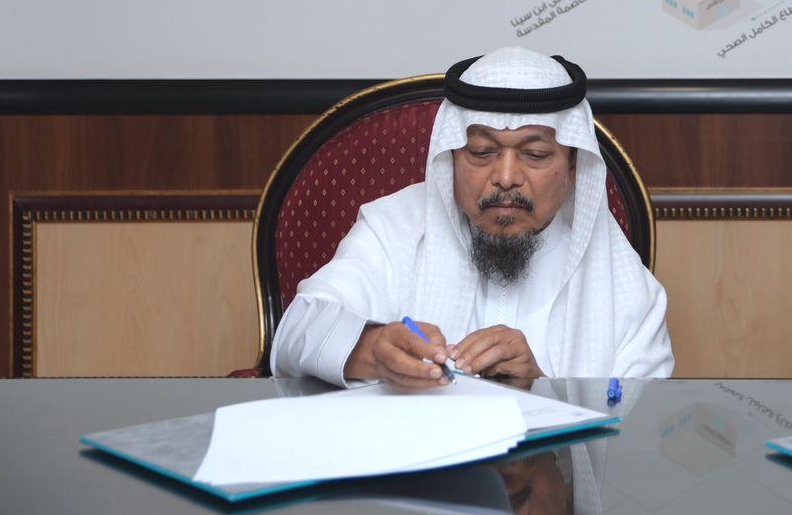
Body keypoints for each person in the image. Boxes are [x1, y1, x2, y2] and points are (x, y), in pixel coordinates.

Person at [271, 47, 672, 386]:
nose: (506, 177)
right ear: (451, 157)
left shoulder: (623, 284)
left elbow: (640, 424)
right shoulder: (393, 228)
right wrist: (373, 350)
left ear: (572, 167)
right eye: (482, 152)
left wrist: (542, 388)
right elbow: (296, 331)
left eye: (535, 155)